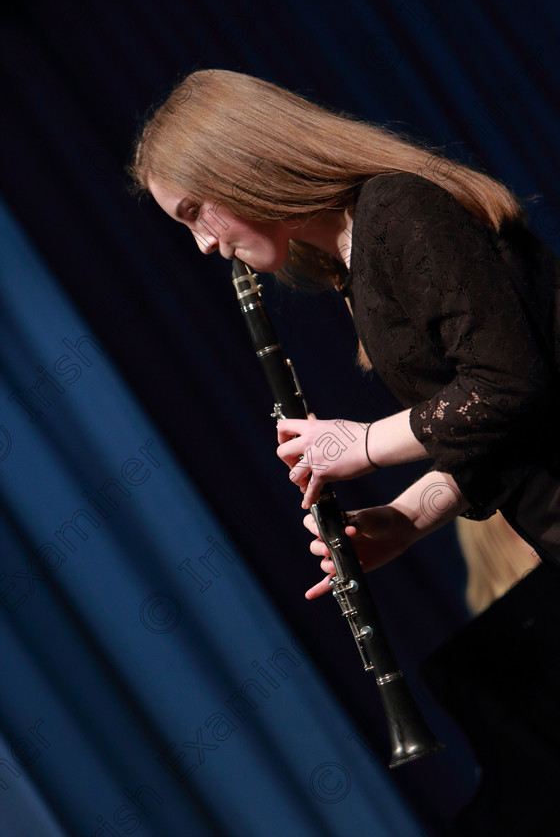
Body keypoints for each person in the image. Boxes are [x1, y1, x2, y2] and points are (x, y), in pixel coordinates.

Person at [130, 68, 560, 598]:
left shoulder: (396, 210)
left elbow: (509, 384)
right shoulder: (354, 261)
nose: (203, 244)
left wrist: (364, 443)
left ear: (238, 166)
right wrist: (407, 519)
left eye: (196, 212)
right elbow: (510, 428)